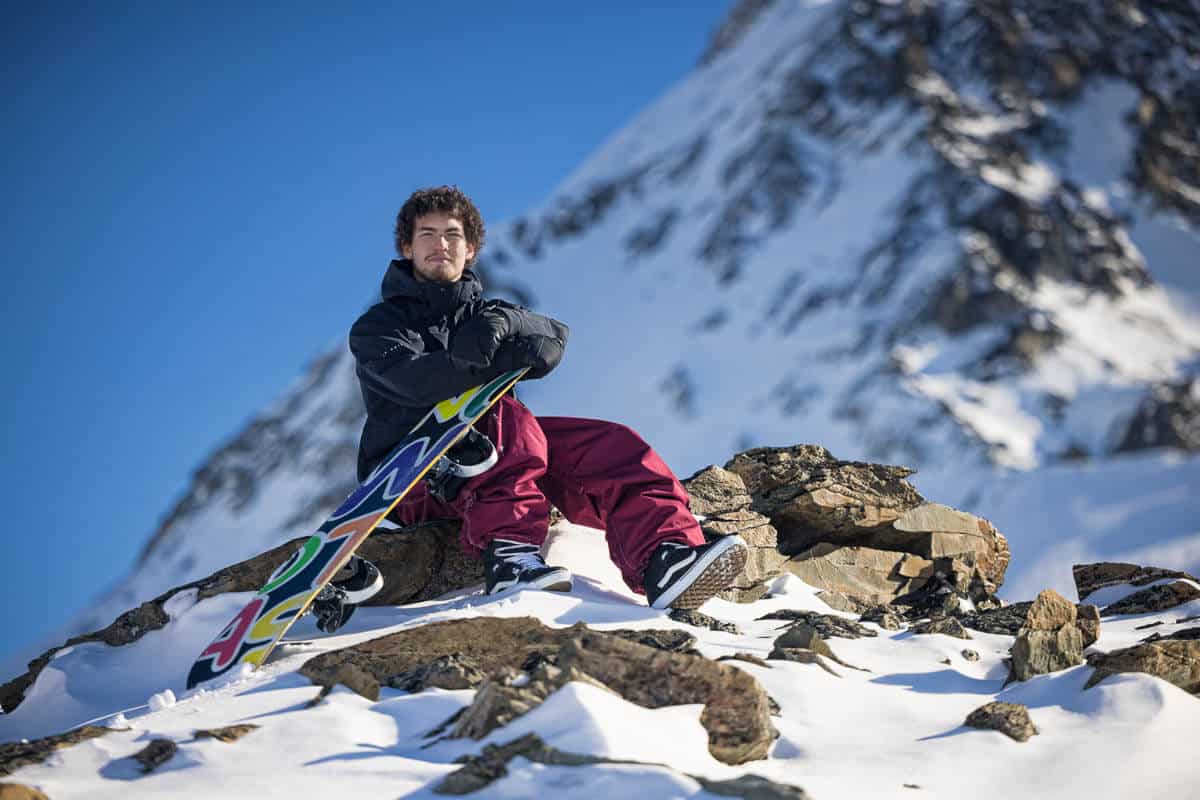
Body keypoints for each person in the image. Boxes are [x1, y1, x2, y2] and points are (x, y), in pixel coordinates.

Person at [339, 185, 746, 622]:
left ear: (471, 248)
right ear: (406, 246)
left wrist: (510, 321)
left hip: (501, 464)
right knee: (502, 414)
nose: (441, 244)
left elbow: (553, 335)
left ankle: (665, 557)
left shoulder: (486, 314)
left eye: (453, 235)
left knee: (609, 444)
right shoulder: (379, 327)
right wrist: (493, 364)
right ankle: (511, 555)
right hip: (417, 478)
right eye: (427, 234)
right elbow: (418, 382)